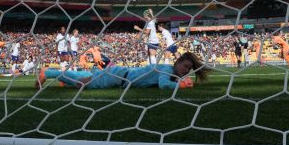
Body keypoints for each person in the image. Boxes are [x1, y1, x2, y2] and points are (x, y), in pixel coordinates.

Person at [37, 51, 208, 91]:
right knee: (81, 85)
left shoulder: (168, 70)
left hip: (119, 74)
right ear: (177, 62)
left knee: (84, 77)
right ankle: (48, 73)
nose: (186, 71)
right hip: (117, 78)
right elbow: (164, 84)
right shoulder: (167, 69)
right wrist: (181, 85)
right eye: (185, 67)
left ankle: (55, 75)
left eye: (189, 69)